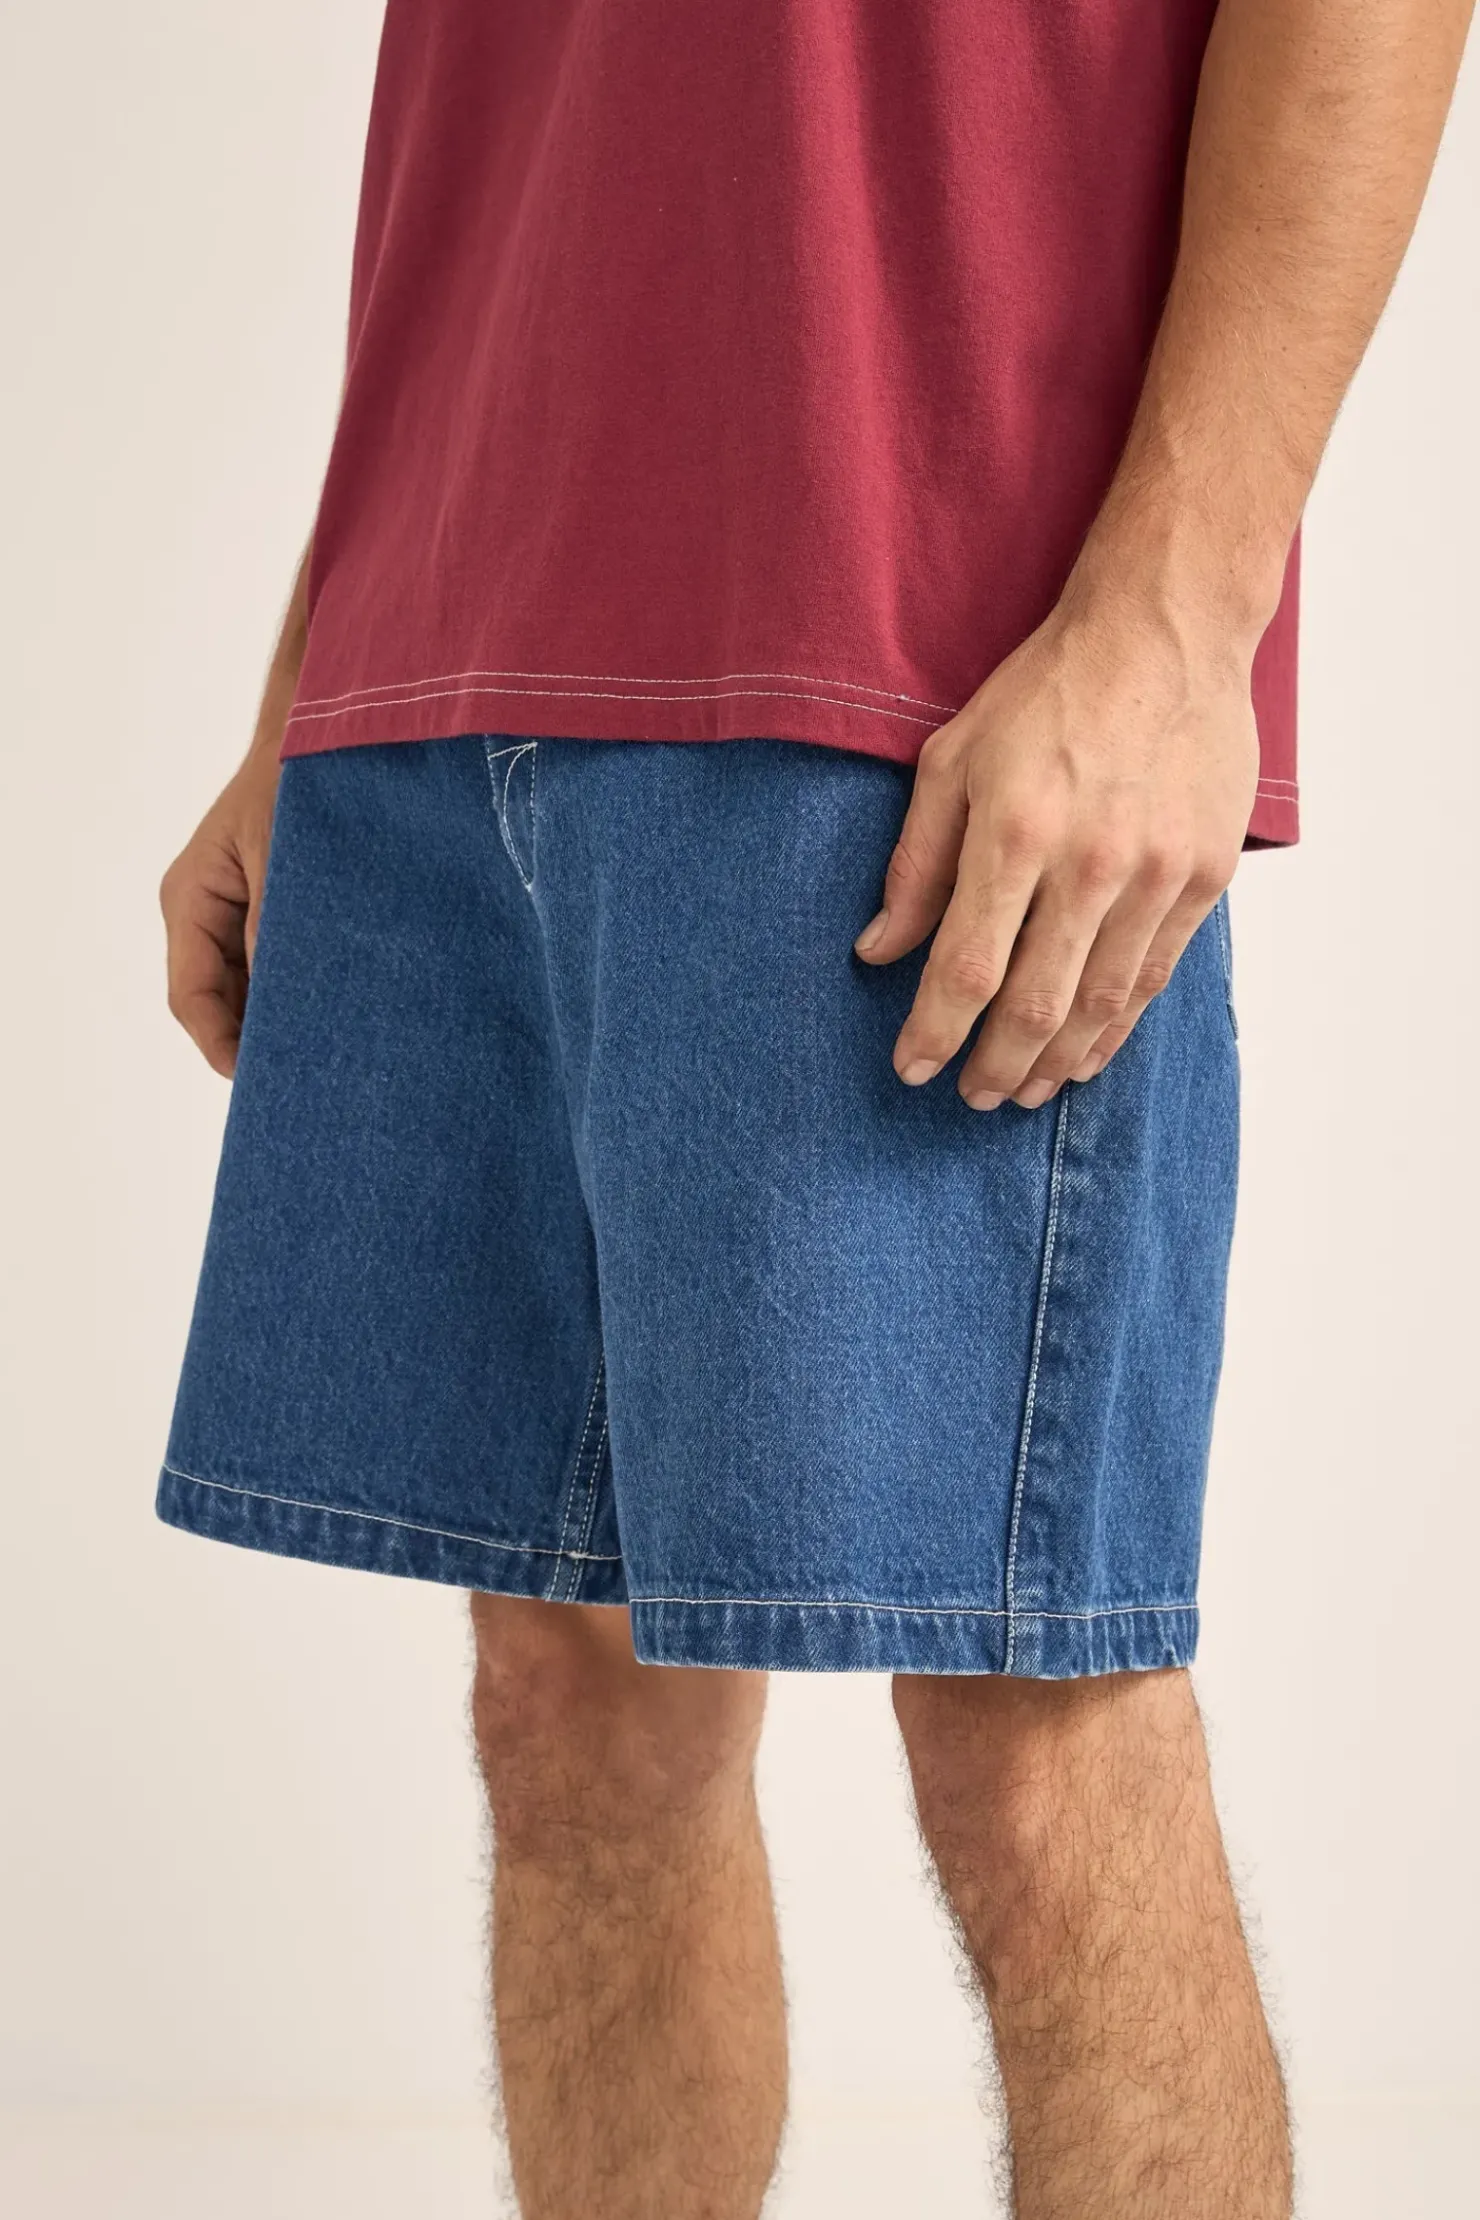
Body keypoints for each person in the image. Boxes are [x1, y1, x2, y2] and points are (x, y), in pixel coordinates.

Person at [155, 3, 1472, 2213]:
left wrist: (1178, 619)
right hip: (447, 636)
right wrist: (319, 666)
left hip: (917, 658)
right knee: (566, 1696)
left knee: (1029, 1734)